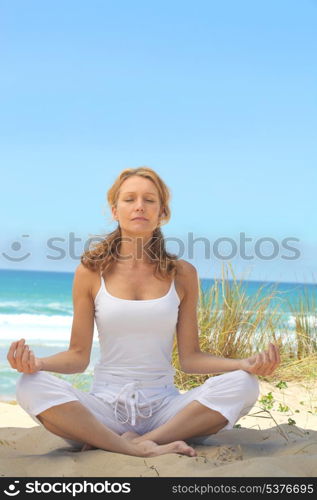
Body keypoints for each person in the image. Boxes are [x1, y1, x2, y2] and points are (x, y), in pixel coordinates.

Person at [8, 166, 280, 458]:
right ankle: (136, 447)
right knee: (29, 384)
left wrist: (243, 363)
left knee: (243, 383)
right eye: (129, 199)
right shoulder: (90, 272)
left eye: (149, 200)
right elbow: (77, 357)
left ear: (162, 212)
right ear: (115, 210)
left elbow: (190, 358)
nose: (139, 206)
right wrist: (37, 363)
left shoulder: (182, 274)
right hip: (105, 411)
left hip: (164, 410)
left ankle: (139, 443)